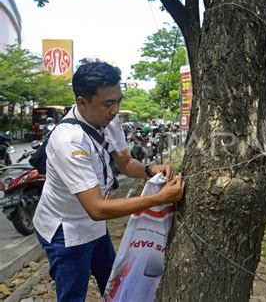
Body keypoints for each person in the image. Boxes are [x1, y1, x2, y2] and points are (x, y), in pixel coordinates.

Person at [32, 62, 185, 302]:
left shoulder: (108, 121)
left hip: (95, 227)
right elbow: (96, 209)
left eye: (118, 101)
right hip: (66, 231)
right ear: (82, 102)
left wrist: (150, 169)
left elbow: (125, 163)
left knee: (113, 283)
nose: (115, 110)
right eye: (108, 104)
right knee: (73, 294)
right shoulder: (69, 141)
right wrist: (158, 199)